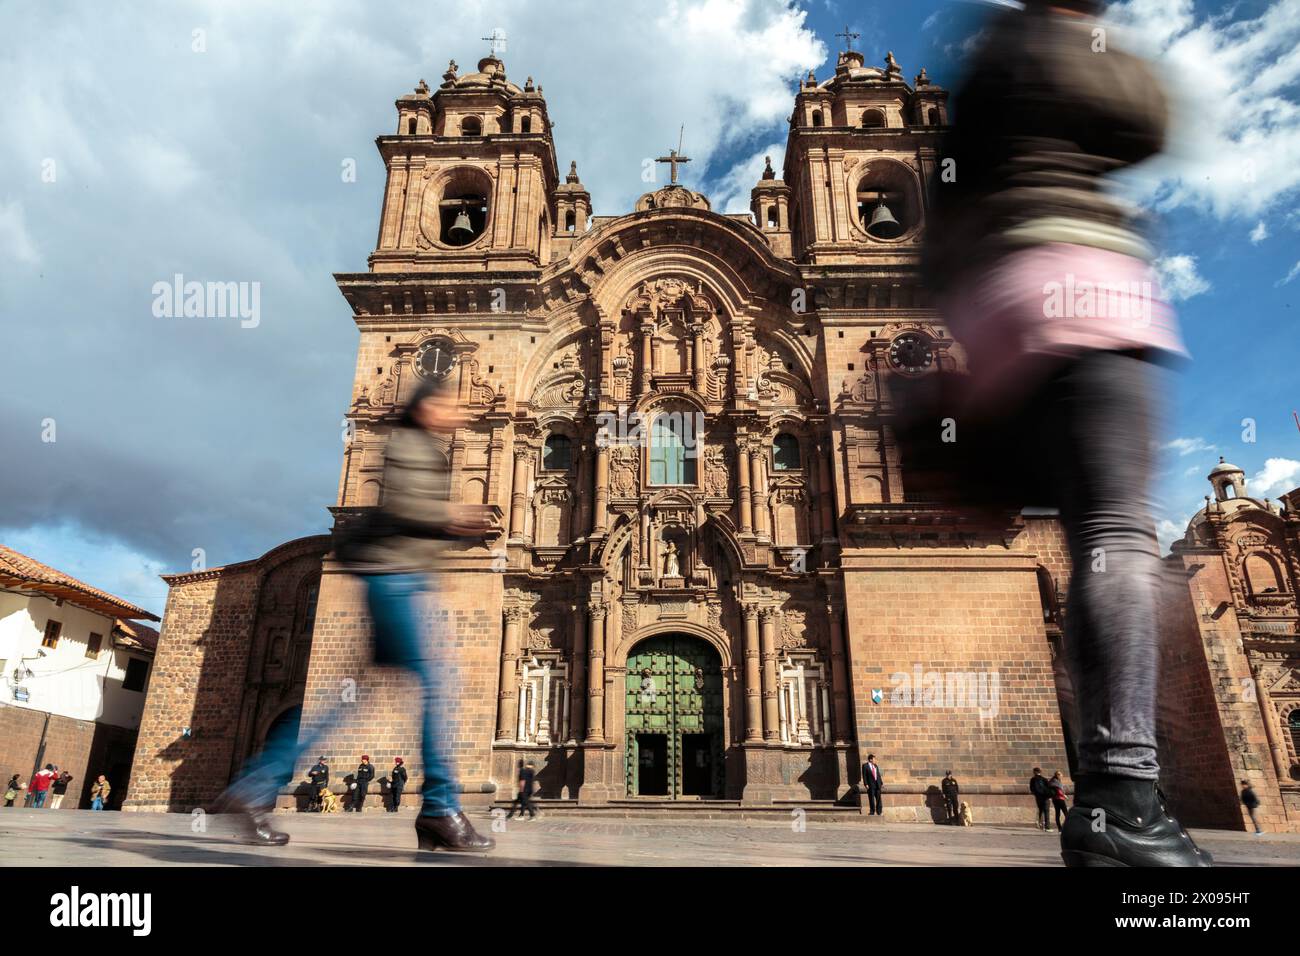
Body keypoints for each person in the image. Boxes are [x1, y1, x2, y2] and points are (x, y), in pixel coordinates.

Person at [920, 0, 1210, 867]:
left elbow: (939, 226)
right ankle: (1123, 795)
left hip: (1003, 312)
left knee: (1078, 543)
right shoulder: (1055, 39)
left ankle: (1112, 799)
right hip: (1088, 286)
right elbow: (1148, 119)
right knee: (1117, 532)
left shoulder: (986, 62)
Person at [212, 375, 496, 851]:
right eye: (449, 403)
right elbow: (404, 506)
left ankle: (256, 787)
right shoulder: (409, 444)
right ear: (427, 408)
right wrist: (452, 518)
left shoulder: (418, 444)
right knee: (439, 687)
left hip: (397, 581)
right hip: (395, 583)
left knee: (350, 698)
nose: (459, 411)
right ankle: (442, 809)